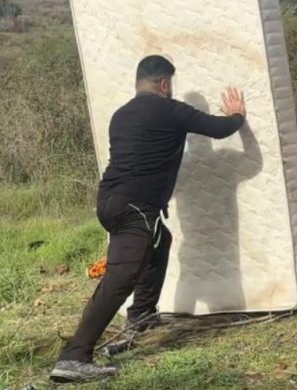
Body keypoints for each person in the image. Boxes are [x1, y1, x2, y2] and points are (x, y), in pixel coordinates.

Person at [50, 54, 246, 383]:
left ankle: (141, 316)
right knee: (119, 280)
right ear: (164, 84)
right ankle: (74, 357)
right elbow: (219, 128)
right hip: (135, 209)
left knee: (160, 241)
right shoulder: (169, 110)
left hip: (109, 202)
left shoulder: (121, 115)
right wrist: (237, 114)